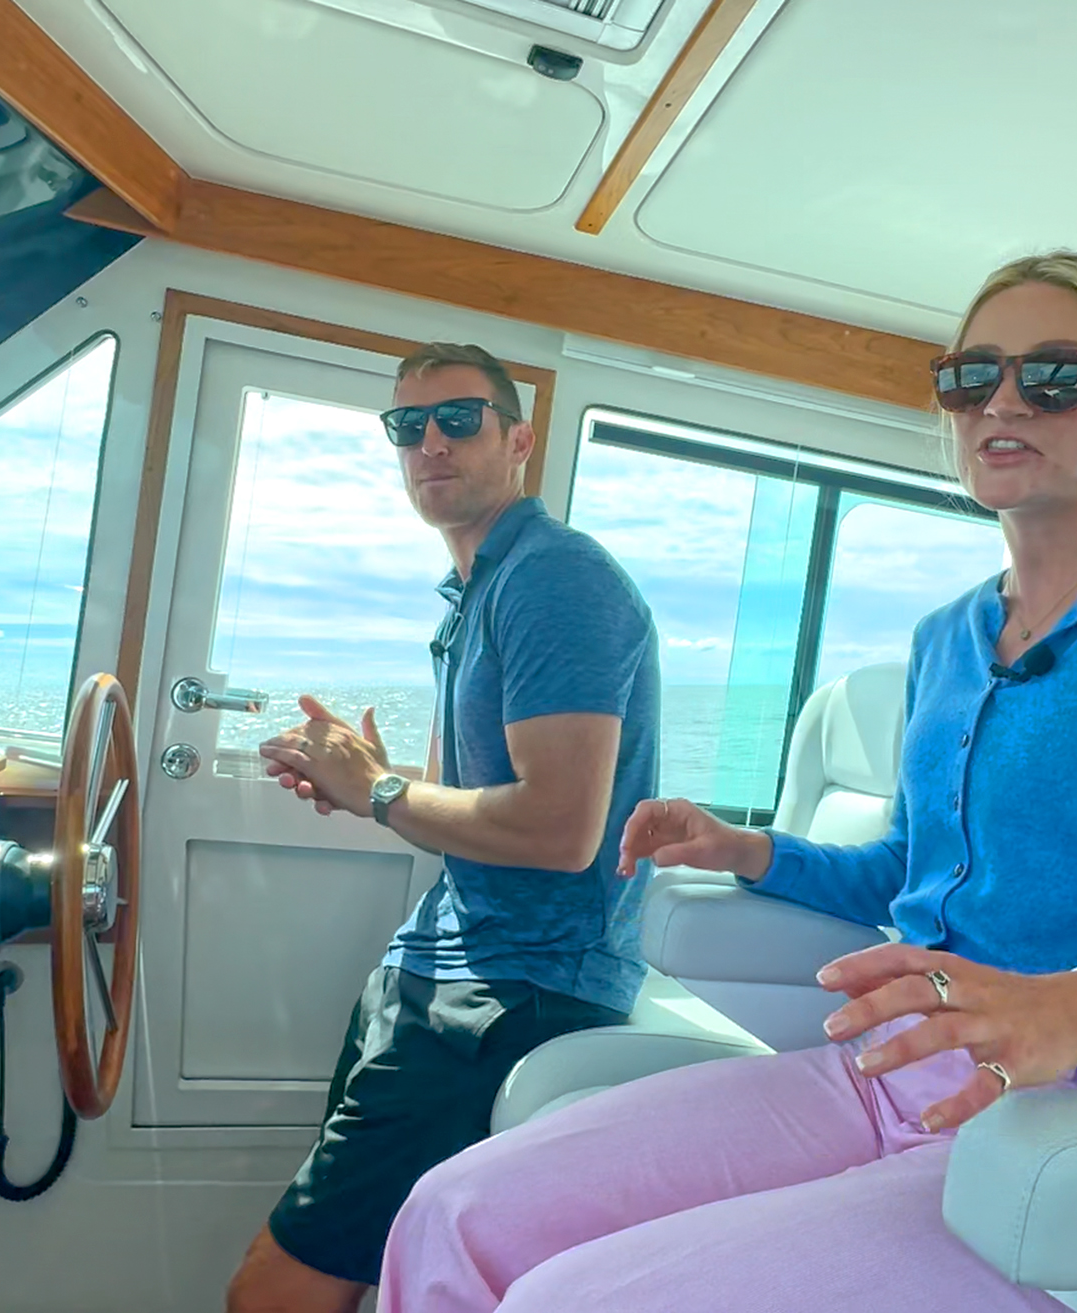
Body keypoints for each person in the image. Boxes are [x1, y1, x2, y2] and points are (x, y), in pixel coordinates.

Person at [375, 253, 1077, 1312]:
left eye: (1055, 376)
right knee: (451, 1209)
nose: (1000, 400)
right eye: (968, 375)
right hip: (884, 1065)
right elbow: (912, 872)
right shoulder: (946, 637)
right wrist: (750, 849)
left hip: (1075, 1118)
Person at [224, 343, 661, 1312]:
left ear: (518, 439)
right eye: (405, 425)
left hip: (516, 987)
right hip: (443, 964)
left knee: (271, 1289)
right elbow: (487, 802)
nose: (428, 441)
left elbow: (557, 828)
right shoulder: (477, 593)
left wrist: (380, 791)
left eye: (456, 418)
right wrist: (363, 782)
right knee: (370, 1269)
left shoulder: (554, 579)